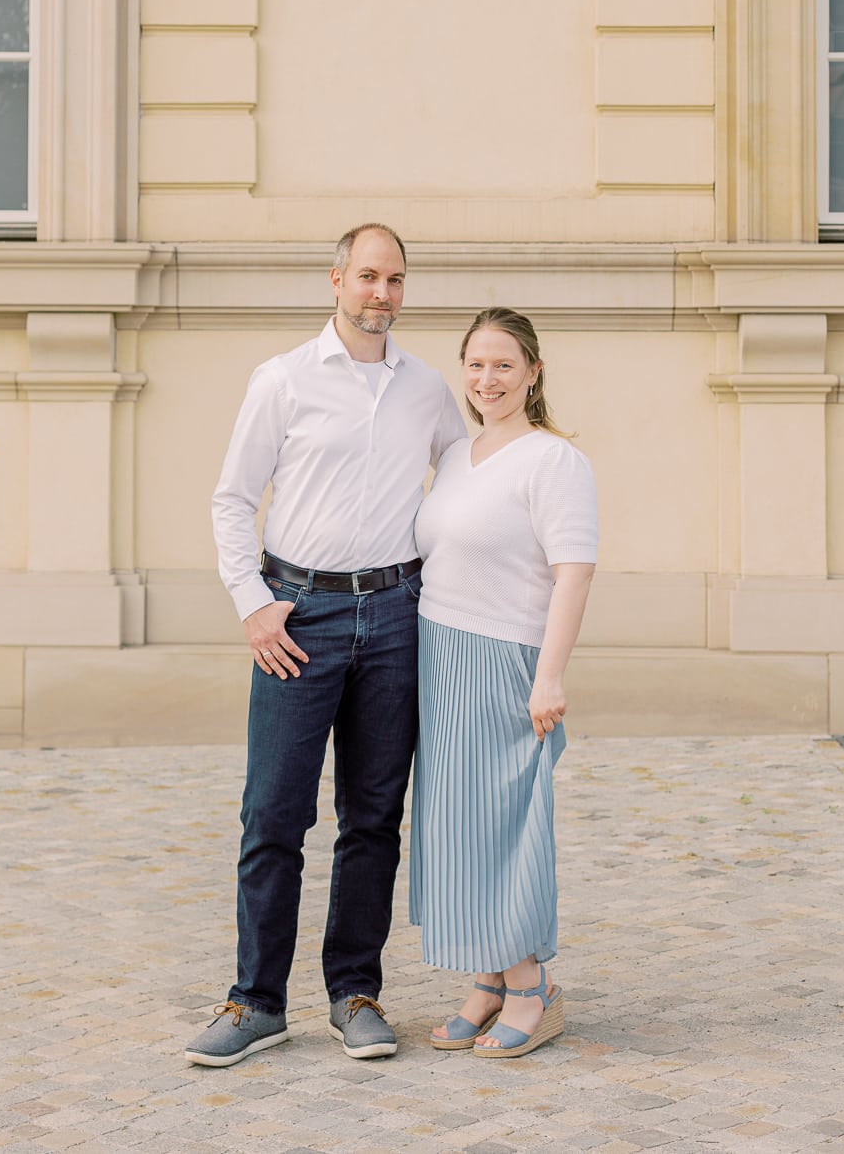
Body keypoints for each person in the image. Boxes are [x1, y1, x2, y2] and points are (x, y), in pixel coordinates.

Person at [186, 223, 467, 1069]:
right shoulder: (283, 380)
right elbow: (233, 498)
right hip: (296, 617)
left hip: (393, 616)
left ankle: (356, 993)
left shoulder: (426, 389)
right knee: (272, 812)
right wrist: (252, 604)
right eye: (368, 276)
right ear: (337, 279)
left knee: (373, 818)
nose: (381, 293)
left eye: (396, 279)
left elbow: (461, 486)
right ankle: (256, 1001)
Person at [409, 305, 598, 1058]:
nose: (487, 379)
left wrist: (549, 675)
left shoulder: (556, 460)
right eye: (476, 364)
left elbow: (574, 573)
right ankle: (487, 979)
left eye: (504, 365)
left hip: (507, 660)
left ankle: (531, 985)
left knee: (503, 828)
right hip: (439, 652)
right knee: (455, 829)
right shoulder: (459, 453)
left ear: (533, 372)